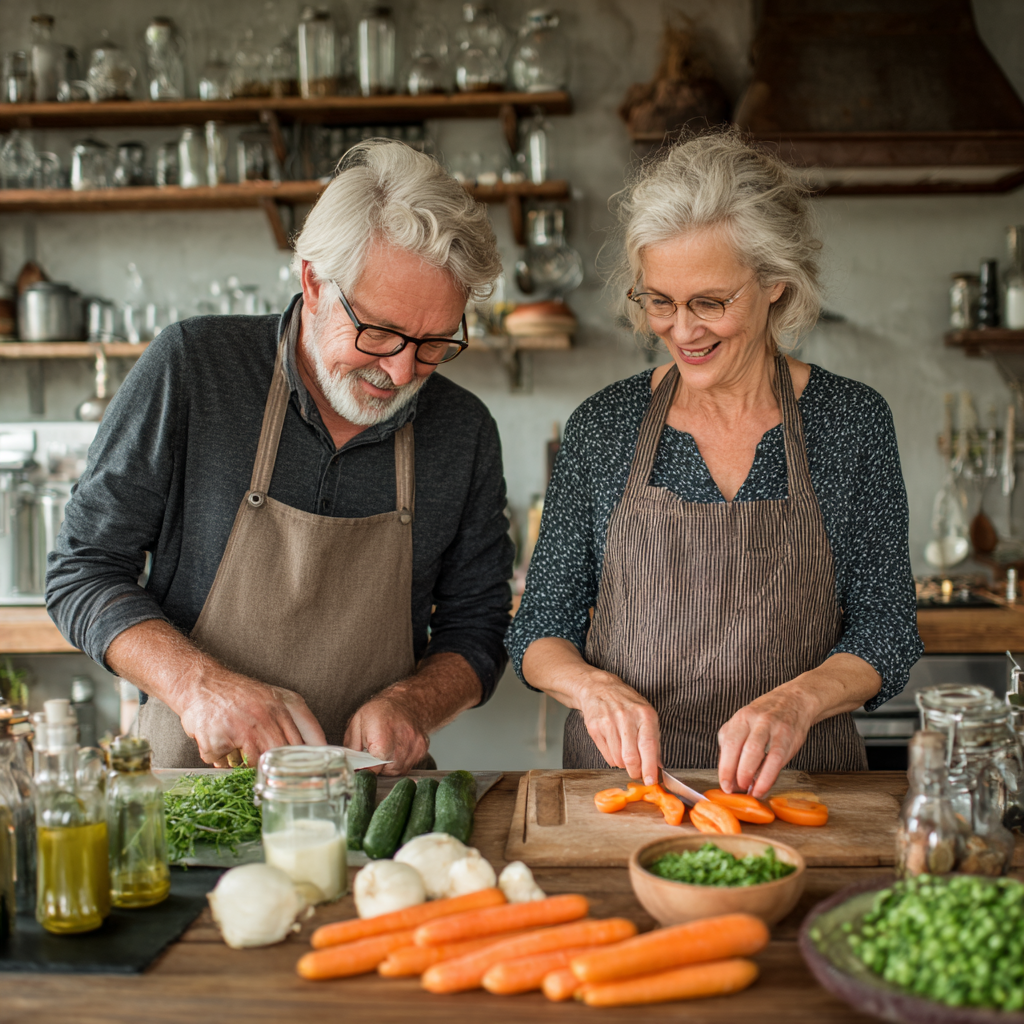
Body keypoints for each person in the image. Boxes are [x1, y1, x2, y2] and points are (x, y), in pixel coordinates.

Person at [47, 140, 515, 771]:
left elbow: (479, 623)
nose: (402, 370)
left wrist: (415, 704)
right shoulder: (195, 368)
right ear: (314, 283)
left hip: (371, 800)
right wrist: (198, 687)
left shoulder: (463, 430)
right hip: (194, 788)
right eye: (378, 332)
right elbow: (83, 569)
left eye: (434, 344)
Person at [506, 131, 923, 798]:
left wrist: (801, 701)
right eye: (660, 301)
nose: (682, 331)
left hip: (800, 789)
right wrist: (591, 687)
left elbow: (887, 631)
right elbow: (540, 627)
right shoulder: (603, 427)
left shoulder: (851, 422)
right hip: (627, 791)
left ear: (775, 287)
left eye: (710, 302)